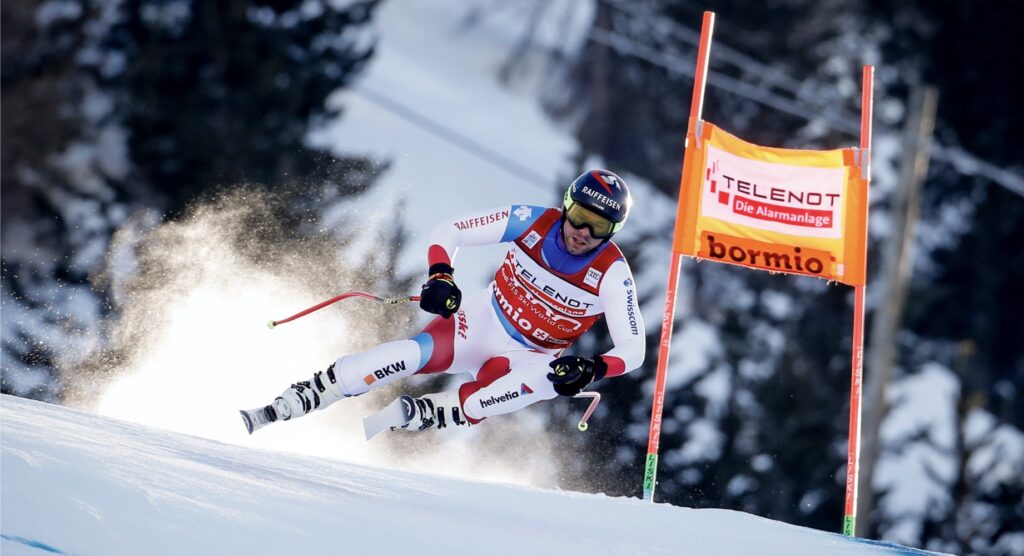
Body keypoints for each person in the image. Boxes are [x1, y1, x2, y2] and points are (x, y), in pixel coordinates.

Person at [240, 169, 646, 437]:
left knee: (546, 381)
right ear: (566, 205)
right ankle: (299, 398)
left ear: (613, 231)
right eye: (577, 216)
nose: (581, 231)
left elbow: (634, 349)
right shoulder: (532, 220)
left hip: (531, 355)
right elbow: (452, 230)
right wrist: (441, 274)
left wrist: (593, 367)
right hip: (484, 321)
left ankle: (431, 412)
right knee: (400, 357)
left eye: (598, 227)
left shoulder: (612, 272)